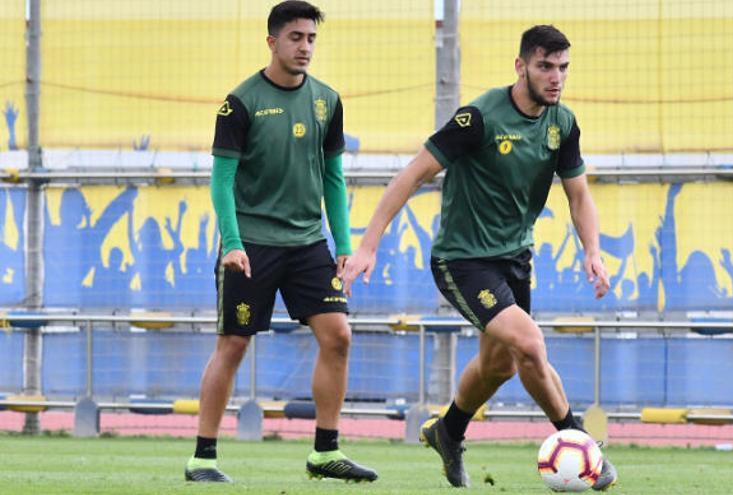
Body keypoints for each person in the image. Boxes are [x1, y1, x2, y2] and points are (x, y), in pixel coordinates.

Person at [343, 25, 617, 491]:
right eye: (545, 67)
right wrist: (368, 243)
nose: (556, 78)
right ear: (521, 66)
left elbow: (578, 196)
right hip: (462, 260)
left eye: (563, 68)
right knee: (529, 343)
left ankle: (448, 431)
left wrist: (593, 251)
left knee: (501, 365)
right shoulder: (479, 119)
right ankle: (580, 442)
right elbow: (412, 175)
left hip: (514, 258)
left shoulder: (563, 124)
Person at [184, 1, 377, 483]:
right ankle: (203, 458)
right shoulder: (241, 103)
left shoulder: (327, 101)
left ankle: (324, 453)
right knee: (233, 344)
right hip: (251, 243)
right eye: (295, 37)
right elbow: (221, 180)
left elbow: (333, 177)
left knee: (339, 336)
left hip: (309, 243)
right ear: (272, 42)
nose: (305, 46)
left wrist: (345, 245)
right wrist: (232, 242)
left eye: (311, 38)